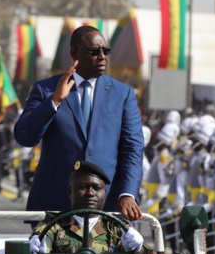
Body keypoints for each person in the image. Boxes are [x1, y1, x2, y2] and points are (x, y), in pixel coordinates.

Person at [14, 26, 144, 220]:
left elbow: (132, 149)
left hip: (105, 204)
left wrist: (127, 193)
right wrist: (54, 101)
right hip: (55, 203)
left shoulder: (122, 94)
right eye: (94, 51)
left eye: (105, 51)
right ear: (74, 53)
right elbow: (24, 136)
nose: (102, 57)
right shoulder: (46, 89)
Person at [29, 161, 151, 254]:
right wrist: (35, 250)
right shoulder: (53, 224)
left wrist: (138, 250)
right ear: (70, 191)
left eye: (97, 188)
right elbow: (37, 249)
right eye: (82, 187)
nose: (90, 193)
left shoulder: (117, 226)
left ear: (105, 193)